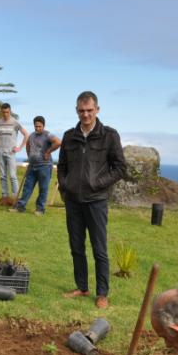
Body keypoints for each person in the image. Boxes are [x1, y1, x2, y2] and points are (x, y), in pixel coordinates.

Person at [56, 91, 126, 309]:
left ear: (97, 109)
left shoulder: (109, 135)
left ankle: (102, 293)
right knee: (76, 246)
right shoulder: (69, 136)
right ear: (77, 110)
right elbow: (62, 166)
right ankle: (82, 286)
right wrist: (65, 185)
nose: (85, 115)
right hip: (73, 201)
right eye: (81, 111)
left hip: (96, 201)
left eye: (89, 110)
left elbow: (120, 168)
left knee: (99, 248)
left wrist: (97, 183)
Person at [10, 115, 61, 215]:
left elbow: (58, 142)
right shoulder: (32, 135)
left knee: (43, 188)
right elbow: (28, 145)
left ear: (43, 125)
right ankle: (20, 207)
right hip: (32, 166)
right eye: (36, 126)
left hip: (44, 166)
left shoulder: (48, 135)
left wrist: (48, 152)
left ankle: (40, 209)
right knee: (27, 187)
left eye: (39, 126)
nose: (37, 128)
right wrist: (30, 157)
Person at [0, 103, 28, 201]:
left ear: (10, 111)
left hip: (11, 153)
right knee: (2, 176)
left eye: (7, 112)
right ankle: (4, 196)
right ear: (1, 112)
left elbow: (26, 134)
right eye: (3, 112)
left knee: (12, 175)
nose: (5, 114)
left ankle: (15, 197)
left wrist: (19, 148)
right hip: (0, 152)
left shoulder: (15, 122)